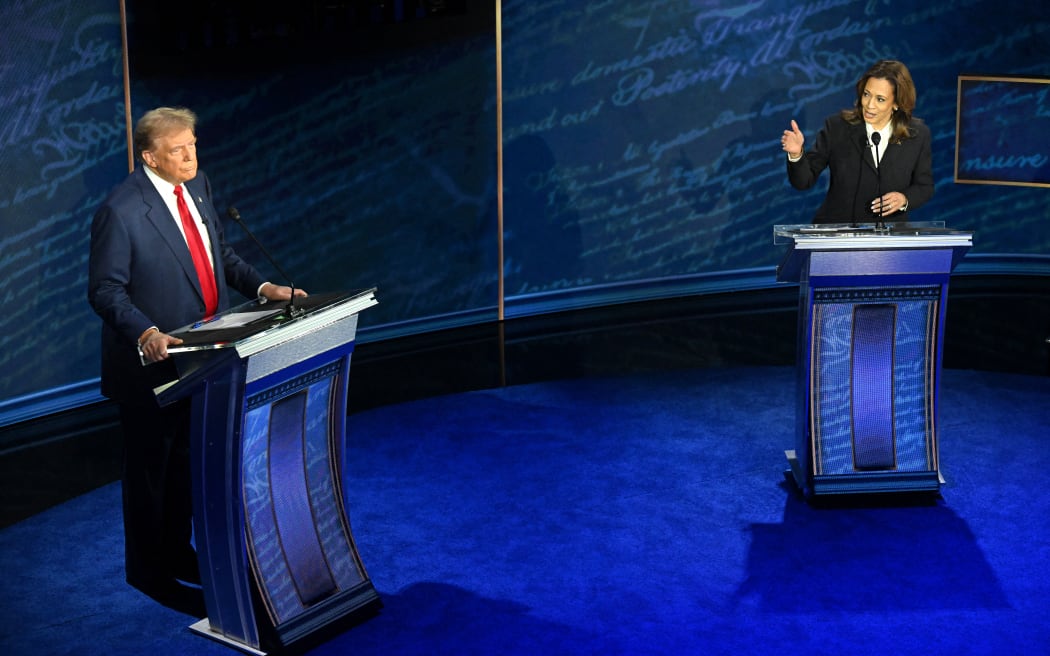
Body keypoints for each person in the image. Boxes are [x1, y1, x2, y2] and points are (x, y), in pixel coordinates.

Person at [87, 106, 305, 616]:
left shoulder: (198, 185)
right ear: (150, 157)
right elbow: (105, 289)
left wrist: (263, 287)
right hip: (152, 367)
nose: (191, 156)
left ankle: (177, 552)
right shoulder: (120, 211)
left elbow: (218, 255)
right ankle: (148, 571)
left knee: (188, 464)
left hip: (208, 355)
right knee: (152, 472)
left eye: (193, 144)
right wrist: (145, 331)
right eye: (178, 149)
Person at [781, 60, 934, 224]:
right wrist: (796, 154)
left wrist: (904, 199)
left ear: (896, 103)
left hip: (890, 236)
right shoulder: (837, 127)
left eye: (880, 99)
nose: (869, 105)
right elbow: (804, 181)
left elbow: (924, 187)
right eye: (866, 94)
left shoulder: (917, 135)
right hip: (838, 233)